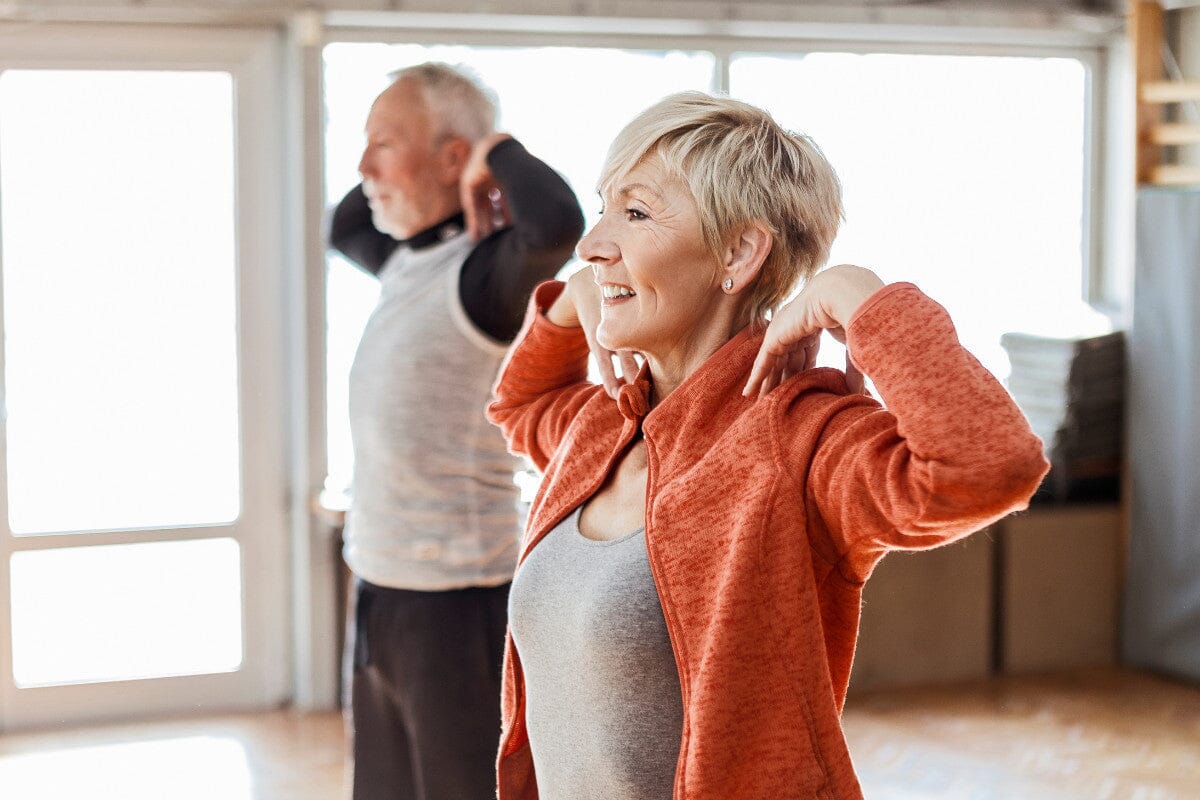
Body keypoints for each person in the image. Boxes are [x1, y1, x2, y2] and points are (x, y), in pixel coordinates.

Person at [487, 92, 1049, 800]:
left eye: (633, 214)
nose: (593, 243)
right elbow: (519, 405)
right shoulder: (604, 422)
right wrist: (574, 301)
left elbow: (988, 466)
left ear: (739, 252)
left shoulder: (799, 440)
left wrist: (863, 300)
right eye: (604, 208)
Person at [327, 63, 583, 800]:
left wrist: (490, 148)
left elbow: (557, 223)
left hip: (460, 602)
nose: (363, 166)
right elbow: (343, 222)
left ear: (450, 157)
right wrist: (396, 153)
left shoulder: (482, 277)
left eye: (384, 143)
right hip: (381, 585)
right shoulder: (405, 261)